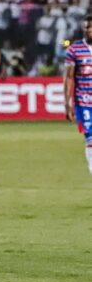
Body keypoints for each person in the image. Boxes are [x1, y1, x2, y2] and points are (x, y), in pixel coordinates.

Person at [64, 15, 92, 175]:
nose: (88, 30)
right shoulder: (74, 49)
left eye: (90, 27)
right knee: (90, 136)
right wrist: (67, 103)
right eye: (86, 28)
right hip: (84, 102)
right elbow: (68, 78)